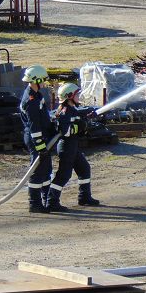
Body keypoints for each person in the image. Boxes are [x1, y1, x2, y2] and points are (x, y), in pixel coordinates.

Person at [46, 83, 100, 212]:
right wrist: (81, 125)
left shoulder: (72, 109)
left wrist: (86, 119)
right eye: (77, 94)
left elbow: (77, 121)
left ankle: (84, 197)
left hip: (72, 145)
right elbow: (65, 131)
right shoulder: (64, 111)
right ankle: (51, 202)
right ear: (69, 96)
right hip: (66, 146)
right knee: (64, 175)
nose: (79, 96)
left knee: (84, 169)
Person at [18, 65, 55, 213]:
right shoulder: (31, 100)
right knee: (37, 170)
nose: (45, 83)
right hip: (35, 139)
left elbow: (42, 118)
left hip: (41, 136)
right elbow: (34, 126)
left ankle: (45, 200)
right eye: (43, 80)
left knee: (46, 170)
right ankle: (34, 203)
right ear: (37, 80)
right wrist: (40, 146)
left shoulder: (36, 94)